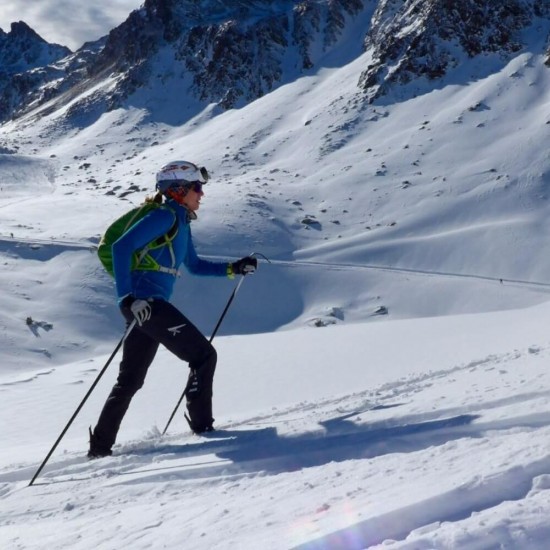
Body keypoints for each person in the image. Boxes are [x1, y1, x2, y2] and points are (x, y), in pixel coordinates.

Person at [88, 160, 257, 458]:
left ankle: (100, 448)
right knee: (203, 356)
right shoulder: (165, 216)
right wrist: (126, 298)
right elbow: (120, 248)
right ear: (179, 190)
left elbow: (193, 265)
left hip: (144, 306)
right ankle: (204, 429)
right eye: (197, 187)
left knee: (130, 380)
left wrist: (234, 268)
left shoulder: (180, 222)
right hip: (145, 305)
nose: (201, 194)